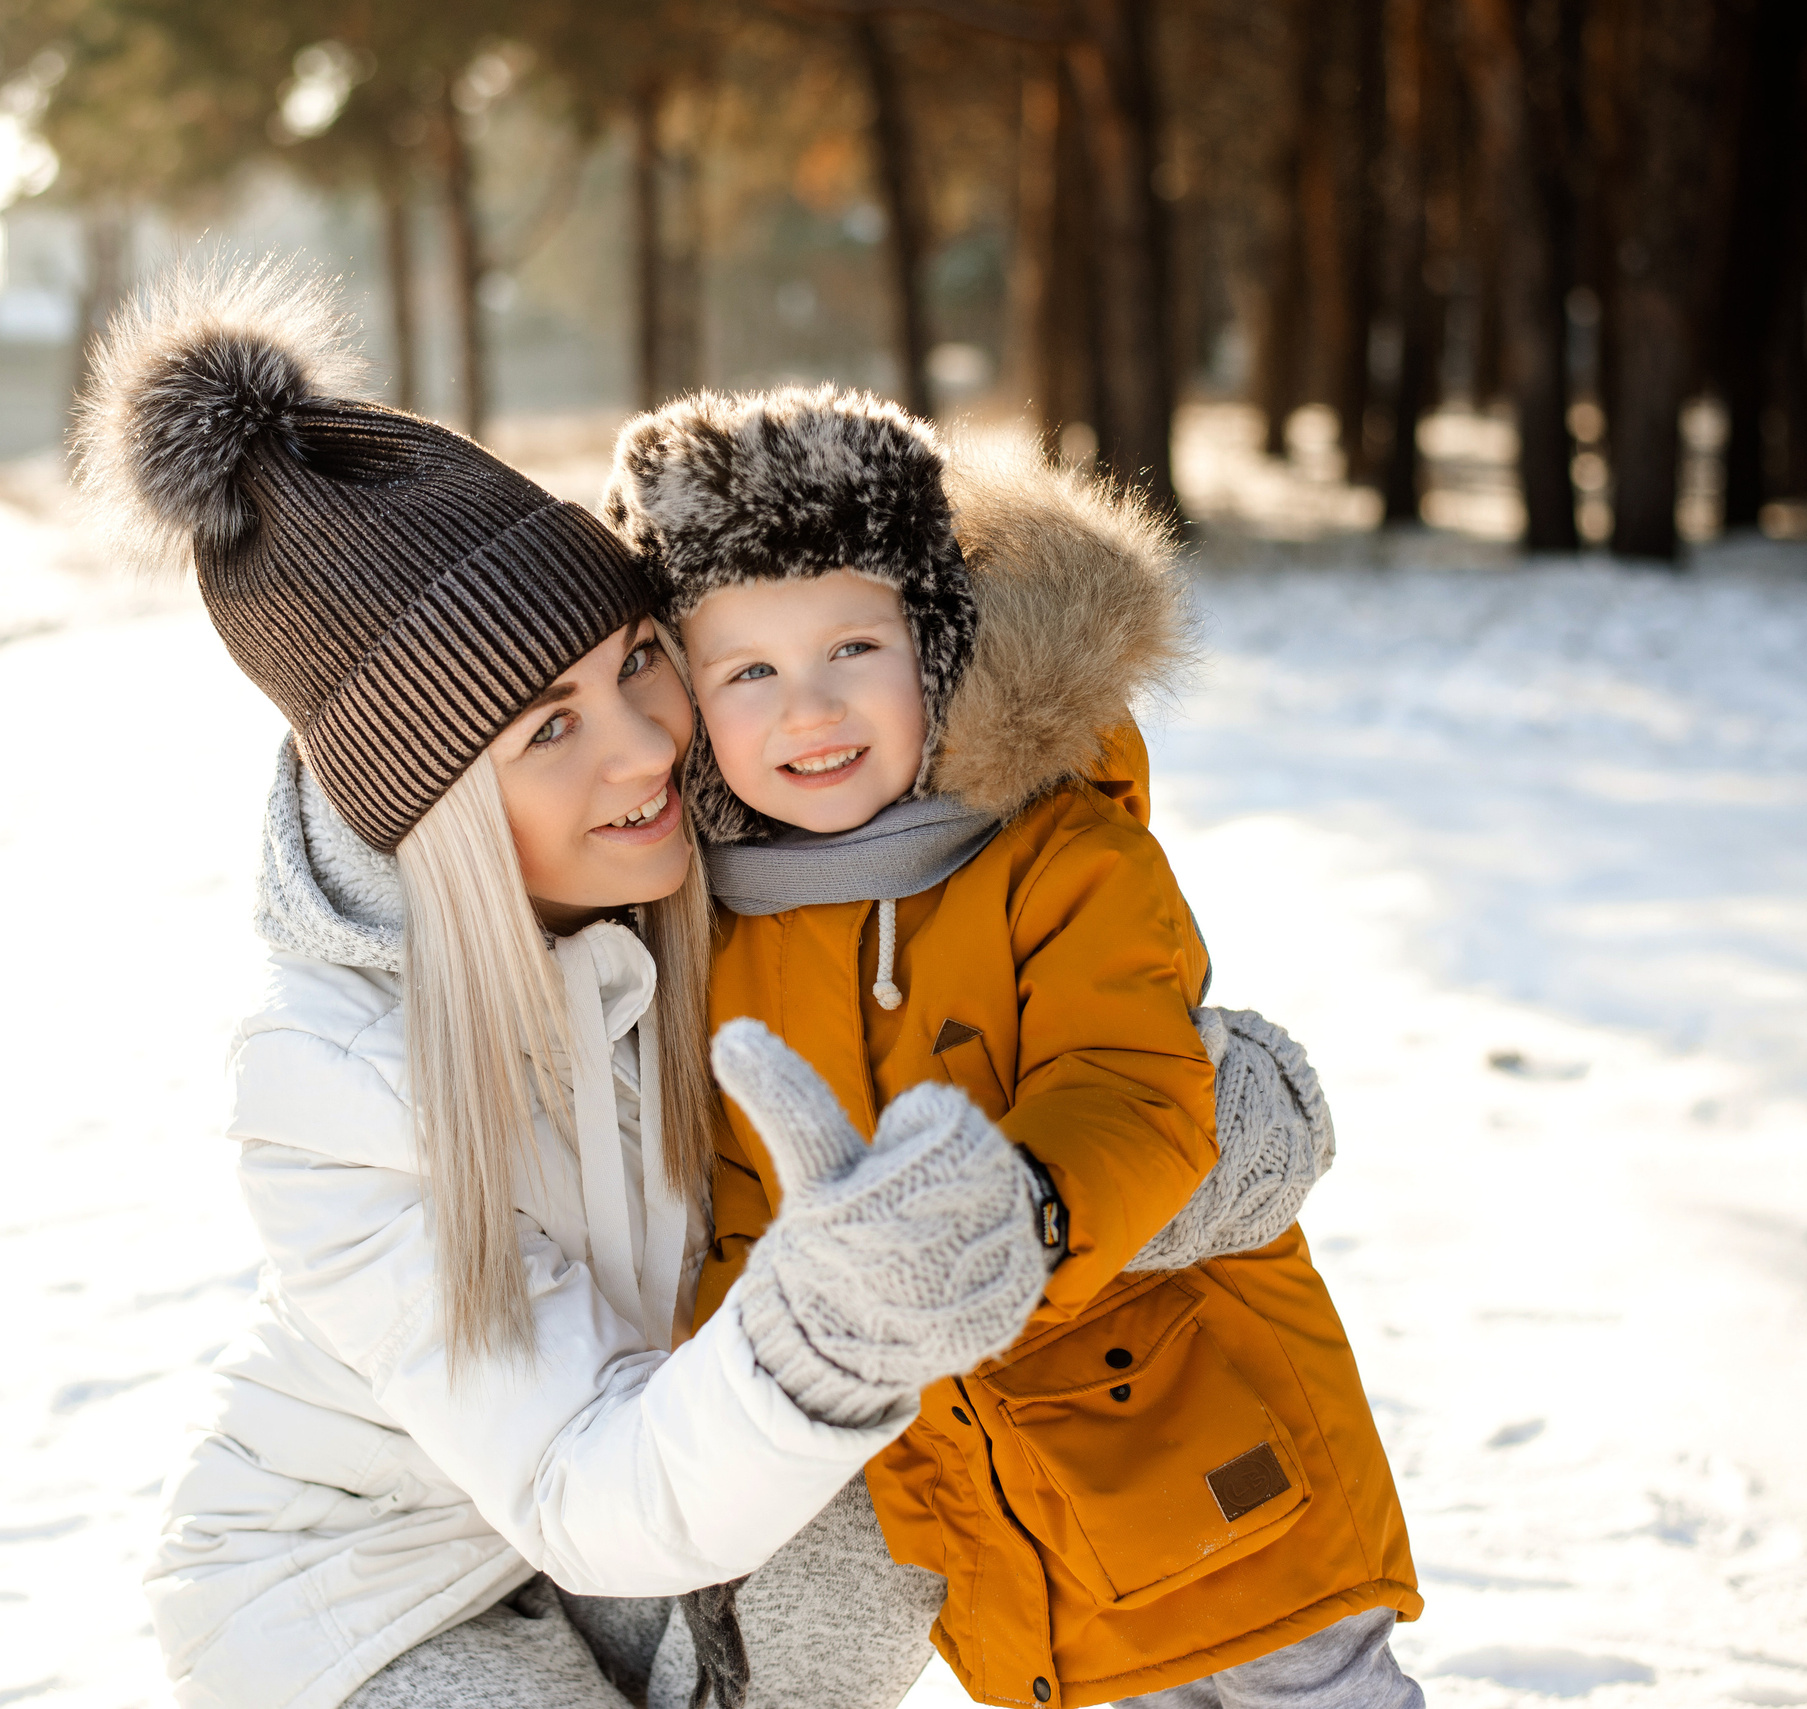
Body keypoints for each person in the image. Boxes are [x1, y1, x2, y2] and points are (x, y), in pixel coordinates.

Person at [76, 266, 1059, 1709]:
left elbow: (1028, 1003)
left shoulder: (707, 871)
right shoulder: (326, 1076)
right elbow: (573, 1474)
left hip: (640, 1525)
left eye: (642, 660)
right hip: (367, 1594)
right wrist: (828, 1328)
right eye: (550, 725)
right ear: (441, 806)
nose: (648, 745)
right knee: (837, 1391)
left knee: (891, 1499)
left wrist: (1202, 1121)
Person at [602, 387, 1425, 1708]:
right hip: (1004, 1513)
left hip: (1211, 1434)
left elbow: (1135, 1084)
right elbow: (747, 1219)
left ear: (930, 645)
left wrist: (1021, 1211)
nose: (807, 708)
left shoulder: (1056, 850)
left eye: (850, 648)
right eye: (749, 669)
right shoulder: (713, 940)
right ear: (688, 700)